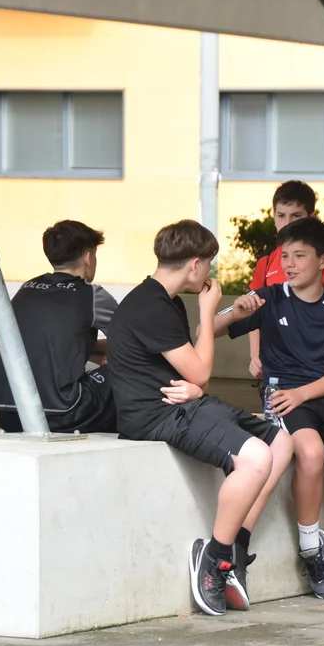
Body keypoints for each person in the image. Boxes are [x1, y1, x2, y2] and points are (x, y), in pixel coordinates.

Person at [106, 220, 294, 617]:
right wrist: (208, 313)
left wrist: (196, 385)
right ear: (195, 265)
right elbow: (201, 370)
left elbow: (192, 367)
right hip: (156, 416)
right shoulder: (149, 306)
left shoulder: (165, 300)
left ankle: (236, 547)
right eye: (208, 263)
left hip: (182, 404)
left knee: (281, 441)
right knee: (256, 458)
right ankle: (215, 559)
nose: (210, 271)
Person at [216, 217, 324, 601]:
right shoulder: (269, 297)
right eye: (285, 256)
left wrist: (304, 394)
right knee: (311, 451)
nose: (289, 264)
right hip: (282, 394)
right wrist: (233, 313)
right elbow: (206, 330)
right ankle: (311, 550)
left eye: (299, 256)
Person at [0, 219, 117, 435]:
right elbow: (132, 343)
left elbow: (47, 340)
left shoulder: (26, 288)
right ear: (88, 256)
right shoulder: (91, 295)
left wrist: (90, 349)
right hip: (61, 413)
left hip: (7, 413)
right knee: (125, 370)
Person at [245, 181, 324, 380]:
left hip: (317, 369)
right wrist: (256, 355)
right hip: (278, 369)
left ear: (311, 217)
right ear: (273, 216)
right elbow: (254, 310)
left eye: (296, 216)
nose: (288, 223)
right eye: (281, 215)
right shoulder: (265, 261)